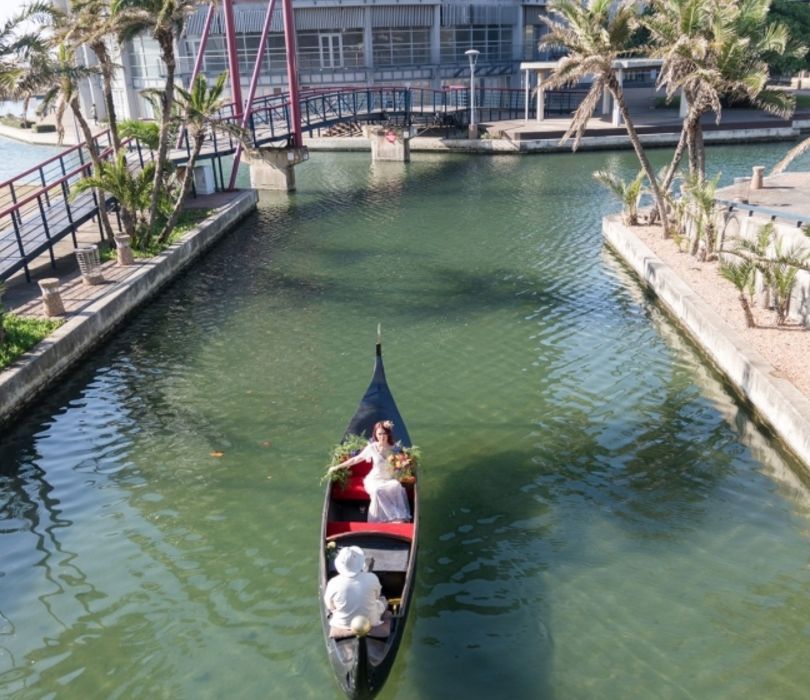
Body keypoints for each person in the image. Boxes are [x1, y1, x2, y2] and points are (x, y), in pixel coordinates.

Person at [329, 420, 412, 523]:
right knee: (377, 491)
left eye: (384, 433)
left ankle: (397, 516)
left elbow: (404, 462)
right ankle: (385, 519)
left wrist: (405, 465)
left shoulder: (395, 448)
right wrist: (337, 467)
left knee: (396, 486)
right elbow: (356, 459)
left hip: (389, 479)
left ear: (388, 434)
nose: (382, 436)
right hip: (374, 479)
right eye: (379, 434)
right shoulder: (372, 447)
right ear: (375, 435)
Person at [324, 545, 386, 631]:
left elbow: (330, 606)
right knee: (383, 600)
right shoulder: (372, 577)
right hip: (372, 621)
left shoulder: (333, 583)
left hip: (342, 624)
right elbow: (377, 596)